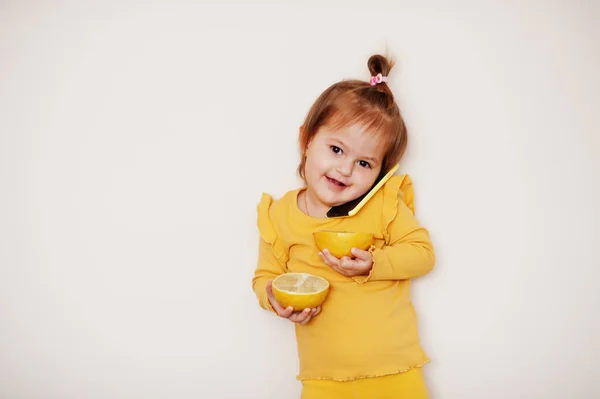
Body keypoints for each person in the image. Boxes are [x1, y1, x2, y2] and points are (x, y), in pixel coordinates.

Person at [252, 53, 435, 398]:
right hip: (323, 380)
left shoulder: (382, 204)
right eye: (336, 149)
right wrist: (272, 297)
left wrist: (375, 263)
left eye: (364, 162)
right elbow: (265, 276)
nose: (345, 169)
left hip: (395, 371)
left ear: (380, 172)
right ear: (306, 141)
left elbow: (423, 254)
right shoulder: (278, 216)